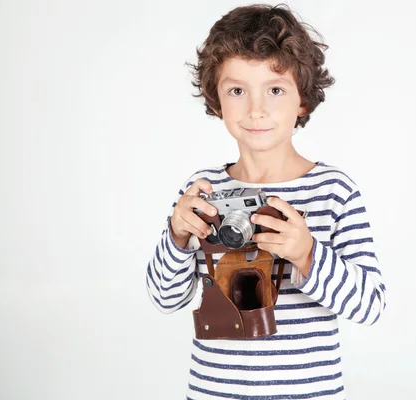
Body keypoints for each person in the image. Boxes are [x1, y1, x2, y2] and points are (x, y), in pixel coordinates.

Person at [145, 4, 386, 399]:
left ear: (303, 100)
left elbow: (370, 305)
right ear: (217, 100)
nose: (256, 108)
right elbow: (164, 297)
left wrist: (308, 253)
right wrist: (176, 235)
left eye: (275, 89)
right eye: (237, 90)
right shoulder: (202, 192)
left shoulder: (333, 190)